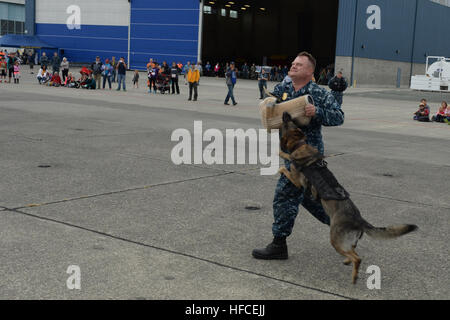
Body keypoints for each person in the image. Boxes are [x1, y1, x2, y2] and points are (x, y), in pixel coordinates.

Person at [252, 52, 345, 260]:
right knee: (309, 199)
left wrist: (317, 112)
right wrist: (268, 106)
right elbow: (271, 106)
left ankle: (279, 244)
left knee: (286, 195)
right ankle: (343, 224)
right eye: (293, 63)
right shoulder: (283, 89)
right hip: (289, 154)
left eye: (299, 64)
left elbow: (339, 117)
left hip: (308, 157)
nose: (293, 66)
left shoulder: (318, 93)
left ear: (309, 71)